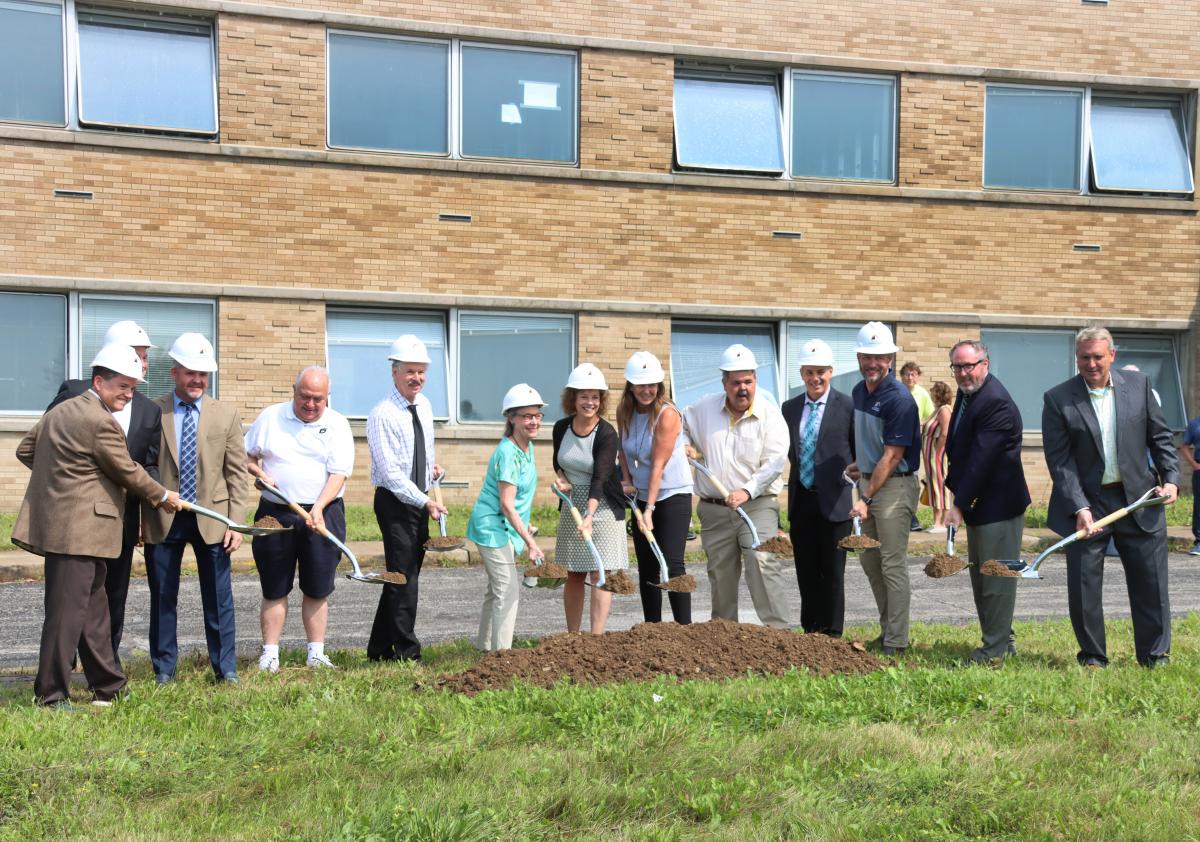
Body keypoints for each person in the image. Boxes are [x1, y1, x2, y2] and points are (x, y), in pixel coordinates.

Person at [15, 344, 180, 707]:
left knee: (93, 612)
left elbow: (26, 450)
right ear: (99, 381)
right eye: (122, 386)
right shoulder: (100, 421)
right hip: (79, 531)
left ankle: (109, 685)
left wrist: (60, 483)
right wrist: (163, 495)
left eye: (132, 388)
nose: (128, 394)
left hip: (76, 531)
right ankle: (50, 695)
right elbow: (127, 470)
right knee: (66, 616)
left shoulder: (61, 411)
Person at [1042, 327, 1179, 668]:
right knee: (1085, 584)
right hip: (1089, 503)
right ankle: (1093, 656)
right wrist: (1079, 506)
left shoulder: (1139, 385)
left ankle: (1154, 654)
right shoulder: (1058, 398)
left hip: (1140, 498)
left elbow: (1161, 437)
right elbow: (1060, 462)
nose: (1091, 364)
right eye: (1084, 357)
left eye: (1098, 357)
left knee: (1151, 581)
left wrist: (1172, 479)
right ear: (1076, 358)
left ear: (1112, 355)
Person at [46, 320, 161, 667]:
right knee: (70, 599)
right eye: (137, 355)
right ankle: (63, 666)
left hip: (121, 519)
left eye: (145, 357)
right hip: (77, 520)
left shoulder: (148, 409)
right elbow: (46, 444)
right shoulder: (75, 393)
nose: (142, 363)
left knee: (111, 598)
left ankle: (106, 669)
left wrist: (149, 507)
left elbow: (147, 464)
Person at [142, 333, 253, 685]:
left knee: (219, 598)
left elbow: (237, 475)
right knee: (163, 596)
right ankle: (164, 669)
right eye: (190, 372)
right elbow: (143, 466)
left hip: (213, 519)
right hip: (164, 516)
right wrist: (146, 509)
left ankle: (226, 669)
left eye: (203, 374)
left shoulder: (226, 415)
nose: (197, 380)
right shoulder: (153, 411)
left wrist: (236, 523)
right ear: (174, 372)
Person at [244, 366, 355, 672]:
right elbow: (247, 455)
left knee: (318, 586)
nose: (311, 404)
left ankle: (316, 654)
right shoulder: (270, 418)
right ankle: (270, 654)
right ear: (293, 391)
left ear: (327, 397)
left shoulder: (338, 424)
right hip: (275, 514)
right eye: (305, 396)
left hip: (324, 513)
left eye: (318, 399)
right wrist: (259, 473)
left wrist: (319, 507)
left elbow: (339, 473)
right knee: (274, 585)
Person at [681, 343, 791, 628]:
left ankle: (778, 634)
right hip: (714, 510)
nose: (743, 388)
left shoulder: (770, 416)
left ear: (756, 380)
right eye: (736, 383)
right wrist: (686, 445)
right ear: (724, 384)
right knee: (721, 575)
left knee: (762, 563)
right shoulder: (703, 408)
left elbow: (774, 462)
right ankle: (724, 635)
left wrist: (747, 490)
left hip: (757, 506)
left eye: (748, 381)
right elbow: (679, 423)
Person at [943, 340, 1029, 663]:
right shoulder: (968, 395)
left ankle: (993, 651)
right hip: (979, 505)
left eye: (970, 365)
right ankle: (1002, 640)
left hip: (999, 506)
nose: (964, 373)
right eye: (958, 367)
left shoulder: (995, 402)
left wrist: (958, 504)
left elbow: (982, 461)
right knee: (982, 578)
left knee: (996, 580)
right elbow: (960, 450)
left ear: (985, 364)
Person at [365, 335, 447, 663]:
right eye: (410, 371)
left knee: (404, 574)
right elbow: (390, 474)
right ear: (394, 372)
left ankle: (378, 649)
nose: (417, 378)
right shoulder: (382, 414)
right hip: (395, 503)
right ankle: (407, 652)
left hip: (420, 498)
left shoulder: (423, 406)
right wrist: (424, 501)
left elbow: (422, 449)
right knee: (404, 577)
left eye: (421, 371)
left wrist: (432, 470)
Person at [848, 322, 921, 656]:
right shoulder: (859, 391)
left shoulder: (900, 399)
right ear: (859, 358)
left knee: (892, 563)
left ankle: (897, 641)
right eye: (867, 356)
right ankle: (887, 629)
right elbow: (875, 444)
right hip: (870, 480)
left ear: (890, 358)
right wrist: (860, 463)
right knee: (870, 562)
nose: (872, 363)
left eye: (879, 357)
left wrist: (865, 497)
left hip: (894, 487)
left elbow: (892, 456)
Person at [780, 339, 854, 636]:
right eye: (809, 372)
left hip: (836, 502)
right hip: (802, 501)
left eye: (821, 371)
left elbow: (857, 453)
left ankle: (832, 633)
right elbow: (790, 452)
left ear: (831, 371)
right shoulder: (789, 408)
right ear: (801, 374)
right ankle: (810, 631)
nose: (815, 378)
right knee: (806, 571)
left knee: (833, 573)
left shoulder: (847, 406)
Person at [466, 384, 546, 651]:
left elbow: (518, 499)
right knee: (508, 590)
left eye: (537, 415)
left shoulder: (527, 447)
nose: (534, 421)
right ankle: (502, 657)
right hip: (491, 526)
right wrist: (531, 543)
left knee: (496, 590)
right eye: (527, 416)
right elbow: (506, 504)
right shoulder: (508, 453)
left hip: (504, 525)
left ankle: (485, 648)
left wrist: (526, 525)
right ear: (511, 418)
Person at [617, 351, 692, 625]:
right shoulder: (625, 411)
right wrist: (627, 480)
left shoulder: (667, 414)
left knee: (671, 562)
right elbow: (623, 450)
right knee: (647, 565)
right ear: (630, 386)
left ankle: (684, 629)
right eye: (640, 385)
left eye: (651, 385)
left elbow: (658, 464)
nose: (646, 390)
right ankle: (652, 630)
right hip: (641, 493)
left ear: (659, 385)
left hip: (672, 494)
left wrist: (649, 509)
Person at [552, 364, 628, 634]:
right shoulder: (561, 427)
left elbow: (600, 478)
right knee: (573, 572)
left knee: (599, 572)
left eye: (595, 397)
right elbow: (558, 461)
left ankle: (596, 638)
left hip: (603, 506)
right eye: (584, 396)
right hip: (572, 504)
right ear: (573, 398)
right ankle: (573, 635)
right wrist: (561, 479)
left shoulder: (606, 433)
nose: (590, 402)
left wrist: (590, 515)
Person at [901, 361, 935, 532]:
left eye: (913, 374)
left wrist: (920, 424)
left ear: (918, 376)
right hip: (894, 440)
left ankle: (911, 516)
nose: (910, 377)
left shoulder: (922, 394)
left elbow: (932, 415)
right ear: (901, 376)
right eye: (907, 374)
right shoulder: (895, 391)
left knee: (912, 477)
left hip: (913, 441)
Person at [921, 380, 953, 534]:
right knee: (933, 487)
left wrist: (938, 453)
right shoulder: (937, 409)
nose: (931, 393)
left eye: (933, 391)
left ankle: (942, 523)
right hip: (930, 457)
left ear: (939, 393)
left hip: (937, 456)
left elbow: (945, 433)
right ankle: (936, 522)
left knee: (940, 487)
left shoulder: (945, 410)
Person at [1182, 412, 1200, 556]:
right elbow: (1184, 447)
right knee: (1199, 505)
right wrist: (1194, 465)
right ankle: (1199, 542)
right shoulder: (1194, 424)